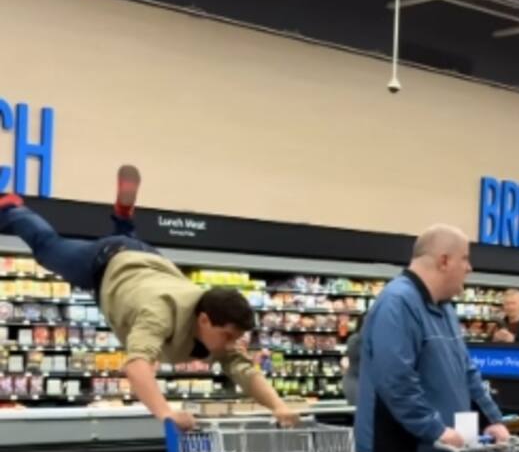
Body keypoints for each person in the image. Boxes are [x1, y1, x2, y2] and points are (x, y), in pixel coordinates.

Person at [0, 170, 300, 431]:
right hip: (107, 263)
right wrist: (165, 413)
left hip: (147, 258)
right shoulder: (159, 315)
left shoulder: (216, 325)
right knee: (48, 247)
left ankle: (124, 219)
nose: (232, 344)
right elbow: (137, 366)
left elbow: (245, 371)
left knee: (125, 244)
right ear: (205, 319)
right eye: (228, 335)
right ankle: (14, 209)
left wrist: (279, 406)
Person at [355, 224, 510, 452]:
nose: (469, 267)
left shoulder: (445, 309)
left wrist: (492, 420)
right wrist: (435, 428)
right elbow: (396, 381)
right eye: (465, 258)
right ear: (444, 261)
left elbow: (467, 372)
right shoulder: (398, 302)